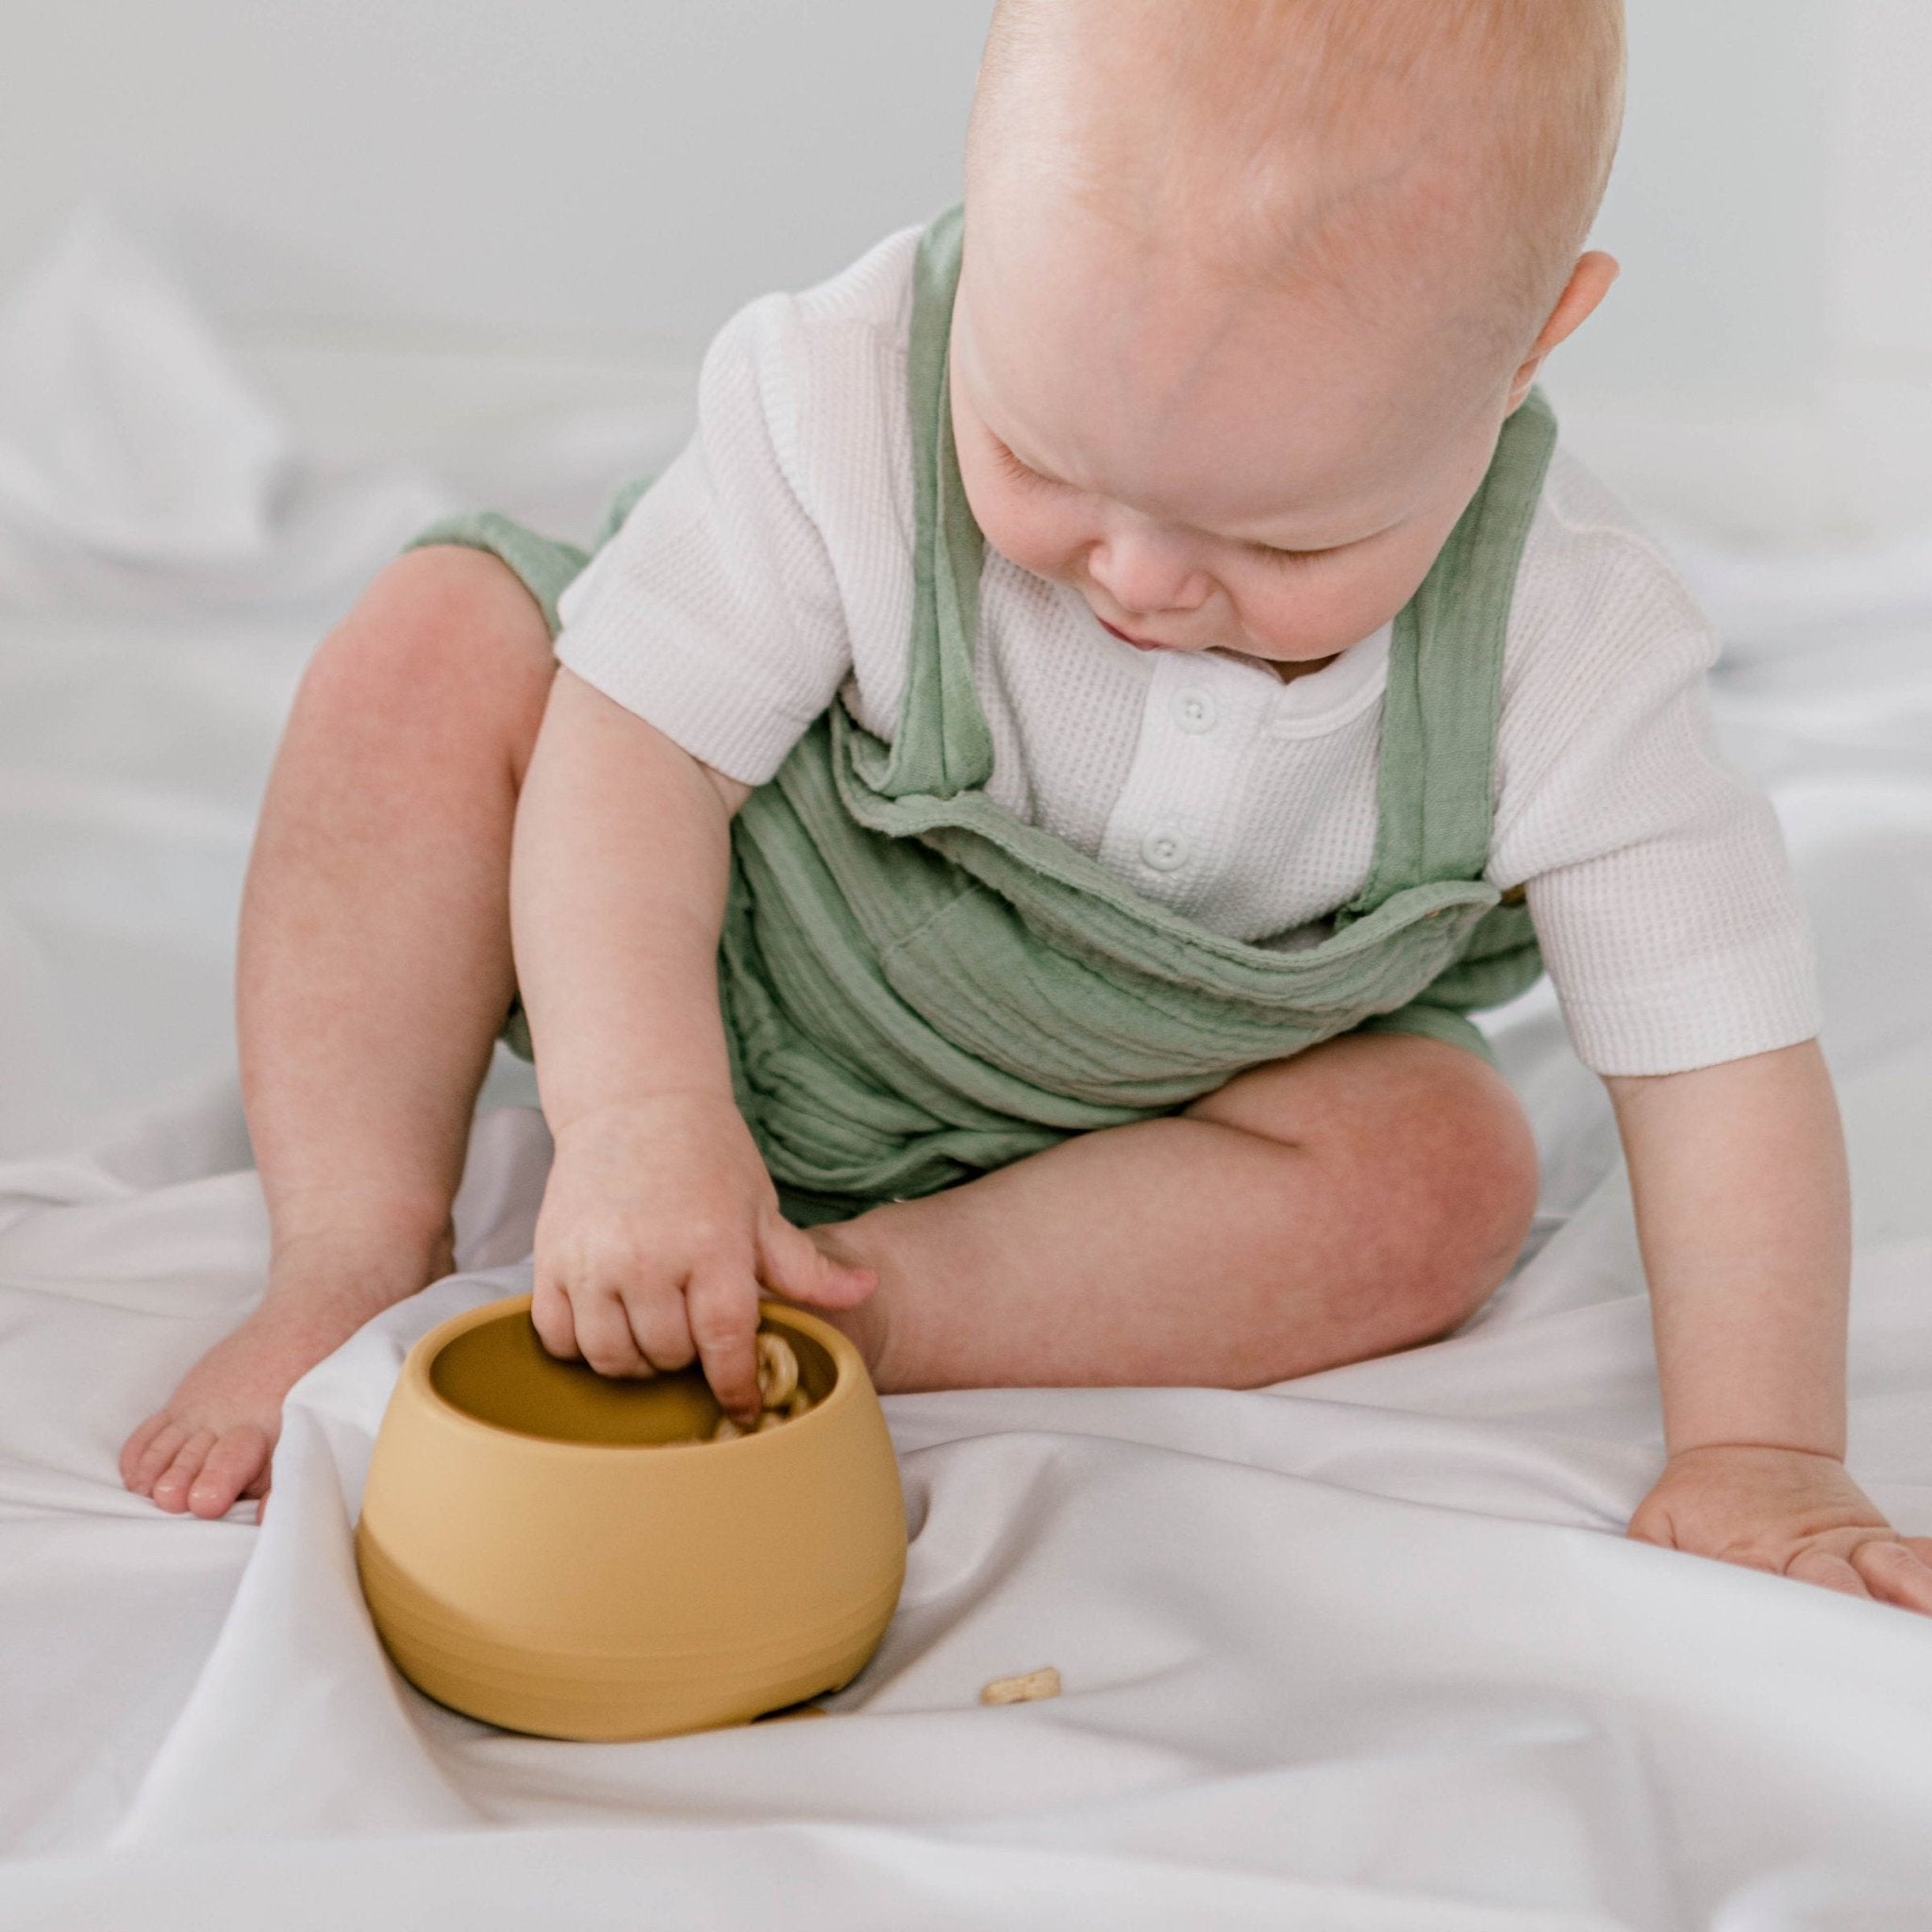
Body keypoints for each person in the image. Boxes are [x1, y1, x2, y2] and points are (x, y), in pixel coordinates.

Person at [122, 0, 1932, 1614]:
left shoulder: (1572, 635)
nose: (1135, 574)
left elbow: (1722, 1062)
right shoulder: (843, 389)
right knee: (442, 641)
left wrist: (1766, 1446)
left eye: (1289, 537)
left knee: (1449, 1160)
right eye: (1043, 459)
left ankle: (867, 1304)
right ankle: (348, 1252)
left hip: (1126, 1138)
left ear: (1532, 345)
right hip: (717, 956)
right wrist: (637, 1118)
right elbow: (633, 755)